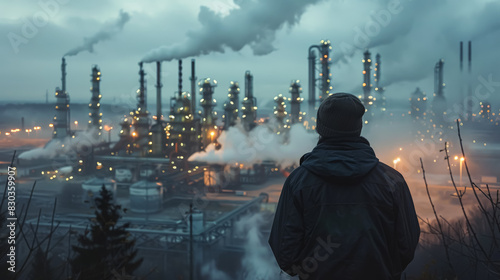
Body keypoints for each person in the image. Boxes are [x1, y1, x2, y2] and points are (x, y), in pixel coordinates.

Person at [269, 93, 420, 280]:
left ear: (320, 128)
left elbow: (286, 253)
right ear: (359, 127)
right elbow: (406, 246)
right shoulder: (392, 181)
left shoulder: (298, 182)